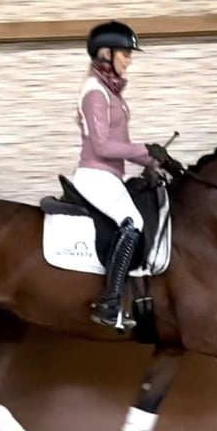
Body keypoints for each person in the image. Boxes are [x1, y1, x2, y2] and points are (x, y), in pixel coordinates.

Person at [72, 20, 172, 330]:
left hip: (110, 176)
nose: (129, 60)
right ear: (105, 53)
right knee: (134, 223)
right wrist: (145, 149)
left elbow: (122, 145)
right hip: (94, 175)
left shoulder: (111, 93)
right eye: (125, 53)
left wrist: (152, 161)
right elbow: (102, 145)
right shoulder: (94, 92)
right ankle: (110, 303)